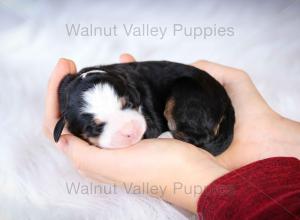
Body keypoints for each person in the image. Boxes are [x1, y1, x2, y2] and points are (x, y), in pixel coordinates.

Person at [43, 54, 300, 219]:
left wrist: (184, 172)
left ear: (130, 93)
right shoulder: (74, 110)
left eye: (129, 106)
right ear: (67, 125)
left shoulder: (126, 84)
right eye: (99, 127)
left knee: (182, 108)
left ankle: (196, 138)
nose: (129, 128)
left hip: (195, 91)